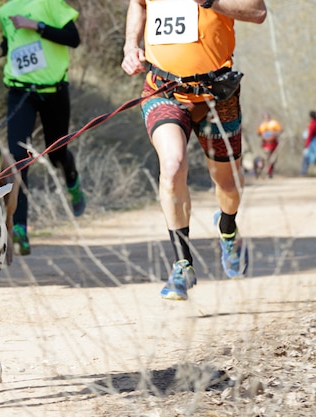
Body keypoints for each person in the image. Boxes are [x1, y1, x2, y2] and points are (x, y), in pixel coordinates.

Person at [121, 0, 267, 300]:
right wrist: (129, 47)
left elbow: (258, 12)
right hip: (164, 89)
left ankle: (228, 228)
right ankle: (182, 264)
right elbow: (138, 4)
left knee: (227, 183)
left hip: (217, 94)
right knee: (172, 165)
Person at [0, 0, 86, 256]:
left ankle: (71, 181)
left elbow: (73, 38)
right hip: (20, 91)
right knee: (18, 159)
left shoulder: (50, 3)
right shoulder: (5, 11)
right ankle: (19, 228)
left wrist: (35, 25)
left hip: (54, 92)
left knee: (56, 152)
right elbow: (13, 43)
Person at [257, 112, 283, 178]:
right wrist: (263, 136)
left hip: (274, 143)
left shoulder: (274, 123)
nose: (266, 118)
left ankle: (270, 171)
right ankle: (264, 170)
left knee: (274, 159)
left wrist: (275, 134)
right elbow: (259, 133)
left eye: (267, 117)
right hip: (266, 143)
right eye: (265, 117)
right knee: (267, 156)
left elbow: (280, 131)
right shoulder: (262, 125)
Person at [301, 111, 316, 176]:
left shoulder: (312, 124)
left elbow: (310, 135)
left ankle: (304, 172)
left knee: (306, 156)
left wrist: (306, 145)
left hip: (313, 142)